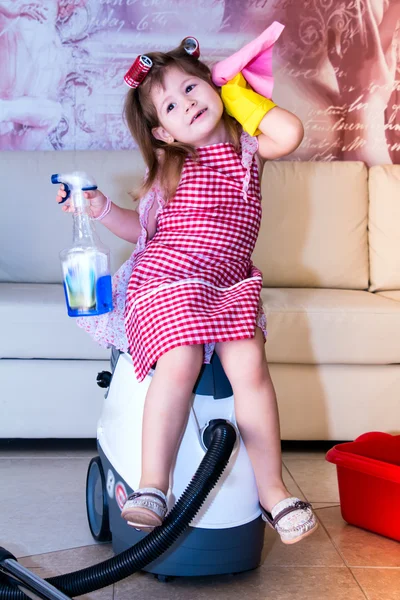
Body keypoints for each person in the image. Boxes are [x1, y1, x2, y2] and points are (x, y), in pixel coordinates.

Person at [56, 37, 318, 545]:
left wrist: (236, 93)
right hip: (168, 279)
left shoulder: (248, 146)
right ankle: (154, 484)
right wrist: (100, 209)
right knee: (181, 361)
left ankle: (271, 490)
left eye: (193, 86)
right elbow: (144, 232)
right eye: (171, 105)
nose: (189, 103)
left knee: (252, 369)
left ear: (215, 84)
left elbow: (290, 131)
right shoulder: (170, 171)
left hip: (228, 282)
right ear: (163, 131)